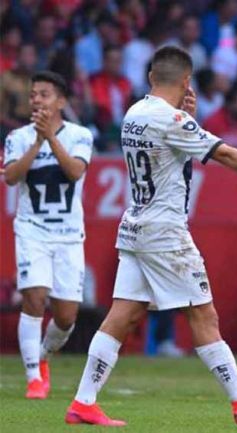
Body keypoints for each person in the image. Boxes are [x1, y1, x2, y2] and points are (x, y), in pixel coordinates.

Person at [64, 46, 237, 427]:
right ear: (186, 81)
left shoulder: (134, 113)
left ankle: (83, 402)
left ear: (150, 78)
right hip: (165, 232)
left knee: (122, 315)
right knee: (202, 313)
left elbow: (172, 151)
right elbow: (223, 154)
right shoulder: (172, 119)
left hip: (135, 225)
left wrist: (188, 118)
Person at [3, 71, 94, 400]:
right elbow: (11, 178)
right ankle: (33, 379)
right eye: (33, 95)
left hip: (69, 235)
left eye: (43, 94)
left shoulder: (80, 135)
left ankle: (41, 358)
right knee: (34, 298)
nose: (36, 100)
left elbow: (74, 171)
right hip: (32, 231)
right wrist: (37, 142)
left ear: (61, 101)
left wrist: (50, 140)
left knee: (67, 318)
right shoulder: (18, 138)